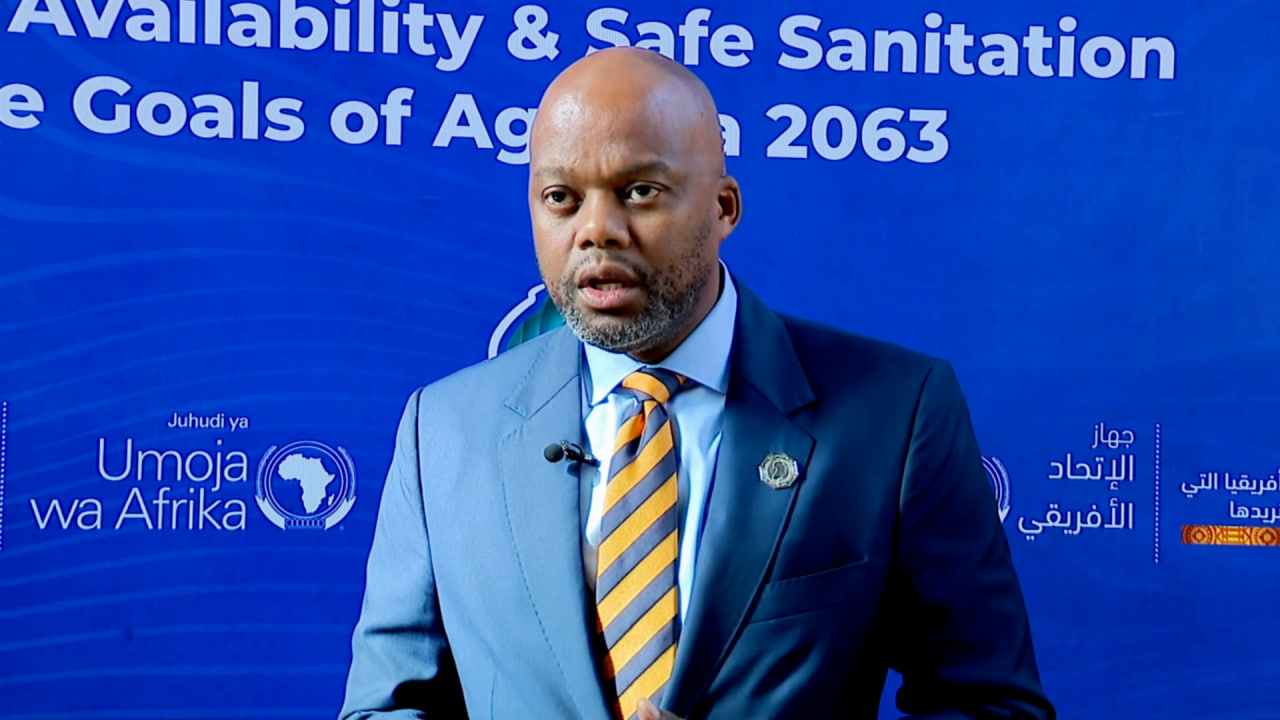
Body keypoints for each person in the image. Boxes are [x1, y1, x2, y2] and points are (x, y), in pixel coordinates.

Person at [340, 47, 1053, 720]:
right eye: (561, 197)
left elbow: (992, 704)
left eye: (639, 191)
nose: (597, 230)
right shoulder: (443, 430)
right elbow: (384, 706)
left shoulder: (898, 413)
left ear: (724, 208)